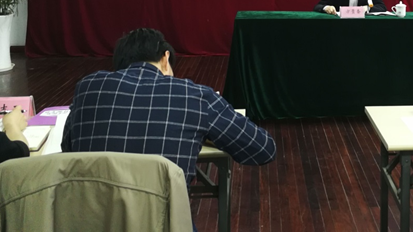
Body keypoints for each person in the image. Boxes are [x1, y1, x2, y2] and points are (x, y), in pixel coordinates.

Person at [62, 28, 276, 186]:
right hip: (165, 222)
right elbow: (263, 149)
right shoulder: (195, 96)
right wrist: (206, 132)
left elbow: (68, 147)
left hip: (94, 221)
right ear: (165, 57)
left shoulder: (87, 87)